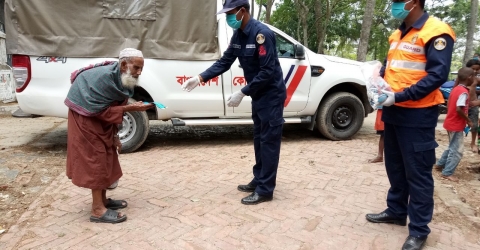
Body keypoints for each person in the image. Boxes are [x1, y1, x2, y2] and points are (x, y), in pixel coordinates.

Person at [365, 1, 456, 249]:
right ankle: (395, 211)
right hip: (393, 111)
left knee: (417, 173)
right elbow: (390, 67)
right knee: (395, 166)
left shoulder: (436, 31)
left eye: (397, 1)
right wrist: (377, 80)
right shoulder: (397, 33)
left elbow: (438, 75)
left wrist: (400, 96)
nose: (393, 5)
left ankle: (418, 230)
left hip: (418, 114)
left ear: (414, 2)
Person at [181, 0, 286, 205]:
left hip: (271, 95)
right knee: (259, 138)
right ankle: (259, 178)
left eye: (230, 13)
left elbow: (268, 71)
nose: (228, 17)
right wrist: (200, 78)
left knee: (269, 141)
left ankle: (265, 190)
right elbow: (224, 61)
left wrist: (242, 92)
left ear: (242, 11)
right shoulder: (239, 35)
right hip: (258, 95)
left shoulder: (262, 35)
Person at [64, 48, 154, 223]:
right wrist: (131, 108)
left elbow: (109, 107)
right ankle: (97, 210)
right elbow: (98, 110)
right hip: (85, 118)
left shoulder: (118, 77)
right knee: (96, 160)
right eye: (136, 68)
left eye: (141, 68)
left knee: (108, 155)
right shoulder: (103, 79)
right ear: (122, 65)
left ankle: (103, 201)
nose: (139, 72)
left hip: (99, 118)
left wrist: (115, 136)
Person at [434, 68, 475, 182]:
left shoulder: (455, 89)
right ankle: (447, 172)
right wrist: (468, 120)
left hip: (450, 122)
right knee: (457, 151)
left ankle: (440, 164)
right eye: (474, 76)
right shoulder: (463, 92)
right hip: (456, 124)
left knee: (452, 146)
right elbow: (459, 109)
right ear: (469, 78)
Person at [465, 59, 480, 152]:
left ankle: (473, 143)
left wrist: (478, 102)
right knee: (458, 124)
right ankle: (454, 142)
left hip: (473, 104)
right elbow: (454, 90)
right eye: (473, 68)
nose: (474, 71)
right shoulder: (461, 78)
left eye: (477, 69)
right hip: (462, 105)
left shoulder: (476, 79)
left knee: (474, 125)